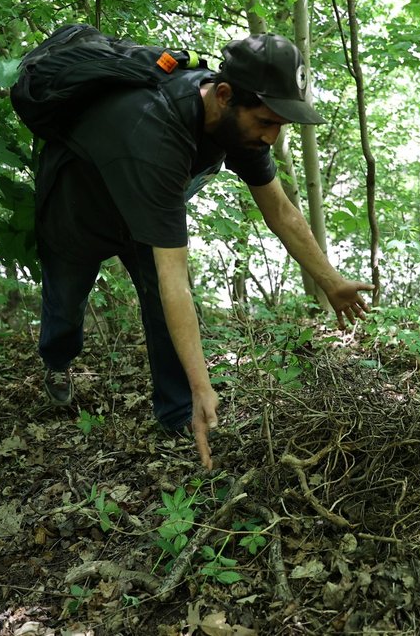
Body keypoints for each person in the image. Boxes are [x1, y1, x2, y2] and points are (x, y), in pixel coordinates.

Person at [33, 32, 373, 469]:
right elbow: (177, 278)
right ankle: (58, 360)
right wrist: (203, 383)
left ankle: (178, 417)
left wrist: (331, 282)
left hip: (143, 207)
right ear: (225, 96)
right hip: (77, 213)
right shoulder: (153, 132)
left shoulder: (240, 124)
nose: (272, 136)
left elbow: (281, 211)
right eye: (267, 122)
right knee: (66, 299)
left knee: (160, 301)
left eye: (280, 125)